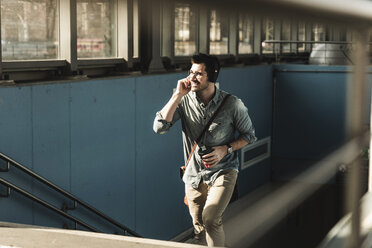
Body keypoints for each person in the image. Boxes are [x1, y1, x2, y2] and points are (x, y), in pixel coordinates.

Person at [153, 53, 257, 247]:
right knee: (199, 228)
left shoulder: (233, 104)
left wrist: (225, 149)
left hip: (224, 171)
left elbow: (249, 136)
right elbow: (159, 127)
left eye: (199, 74)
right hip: (193, 175)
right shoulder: (184, 101)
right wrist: (177, 95)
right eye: (191, 72)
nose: (192, 78)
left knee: (210, 219)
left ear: (212, 76)